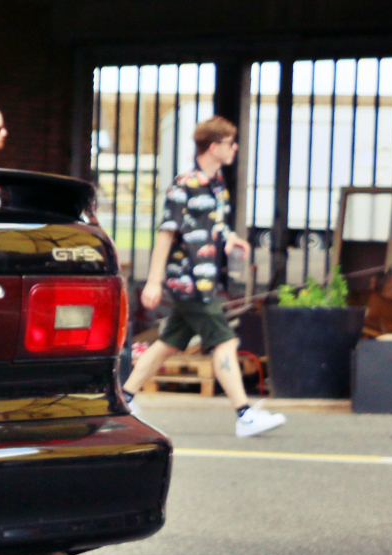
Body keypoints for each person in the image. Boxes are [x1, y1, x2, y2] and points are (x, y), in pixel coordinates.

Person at [121, 116, 285, 439]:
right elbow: (166, 234)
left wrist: (231, 238)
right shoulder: (183, 186)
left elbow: (214, 225)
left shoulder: (217, 184)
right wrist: (153, 281)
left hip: (206, 280)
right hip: (189, 281)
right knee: (224, 340)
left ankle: (124, 399)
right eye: (230, 143)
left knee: (168, 344)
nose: (235, 148)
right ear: (213, 147)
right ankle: (244, 414)